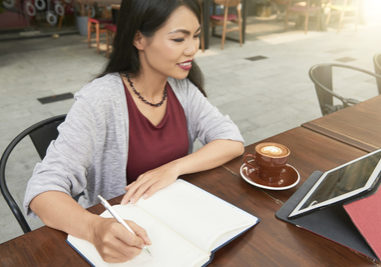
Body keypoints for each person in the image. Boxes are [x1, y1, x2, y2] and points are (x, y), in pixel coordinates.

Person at [23, 0, 244, 263]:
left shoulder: (181, 89)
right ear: (139, 39)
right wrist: (94, 228)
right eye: (178, 39)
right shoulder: (101, 99)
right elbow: (42, 191)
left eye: (196, 35)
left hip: (177, 221)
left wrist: (172, 168)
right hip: (127, 236)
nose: (193, 48)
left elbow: (231, 140)